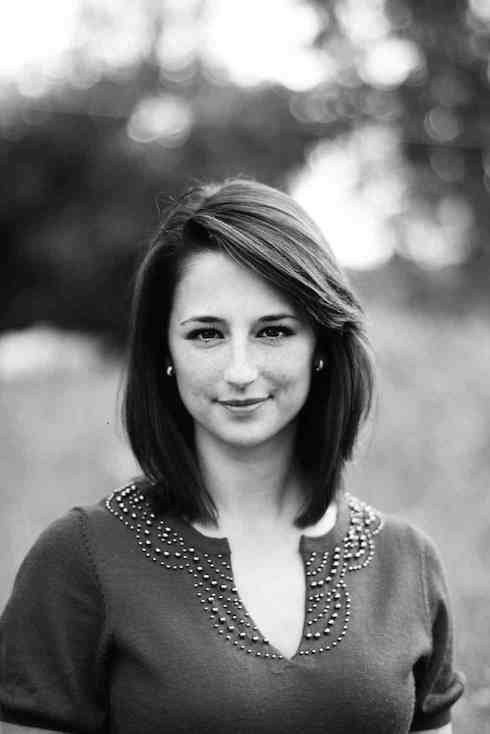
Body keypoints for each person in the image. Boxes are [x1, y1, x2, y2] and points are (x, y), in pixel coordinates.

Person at [0, 179, 464, 734]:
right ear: (164, 351)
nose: (240, 371)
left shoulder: (406, 563)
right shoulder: (80, 559)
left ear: (321, 345)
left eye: (273, 331)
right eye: (206, 334)